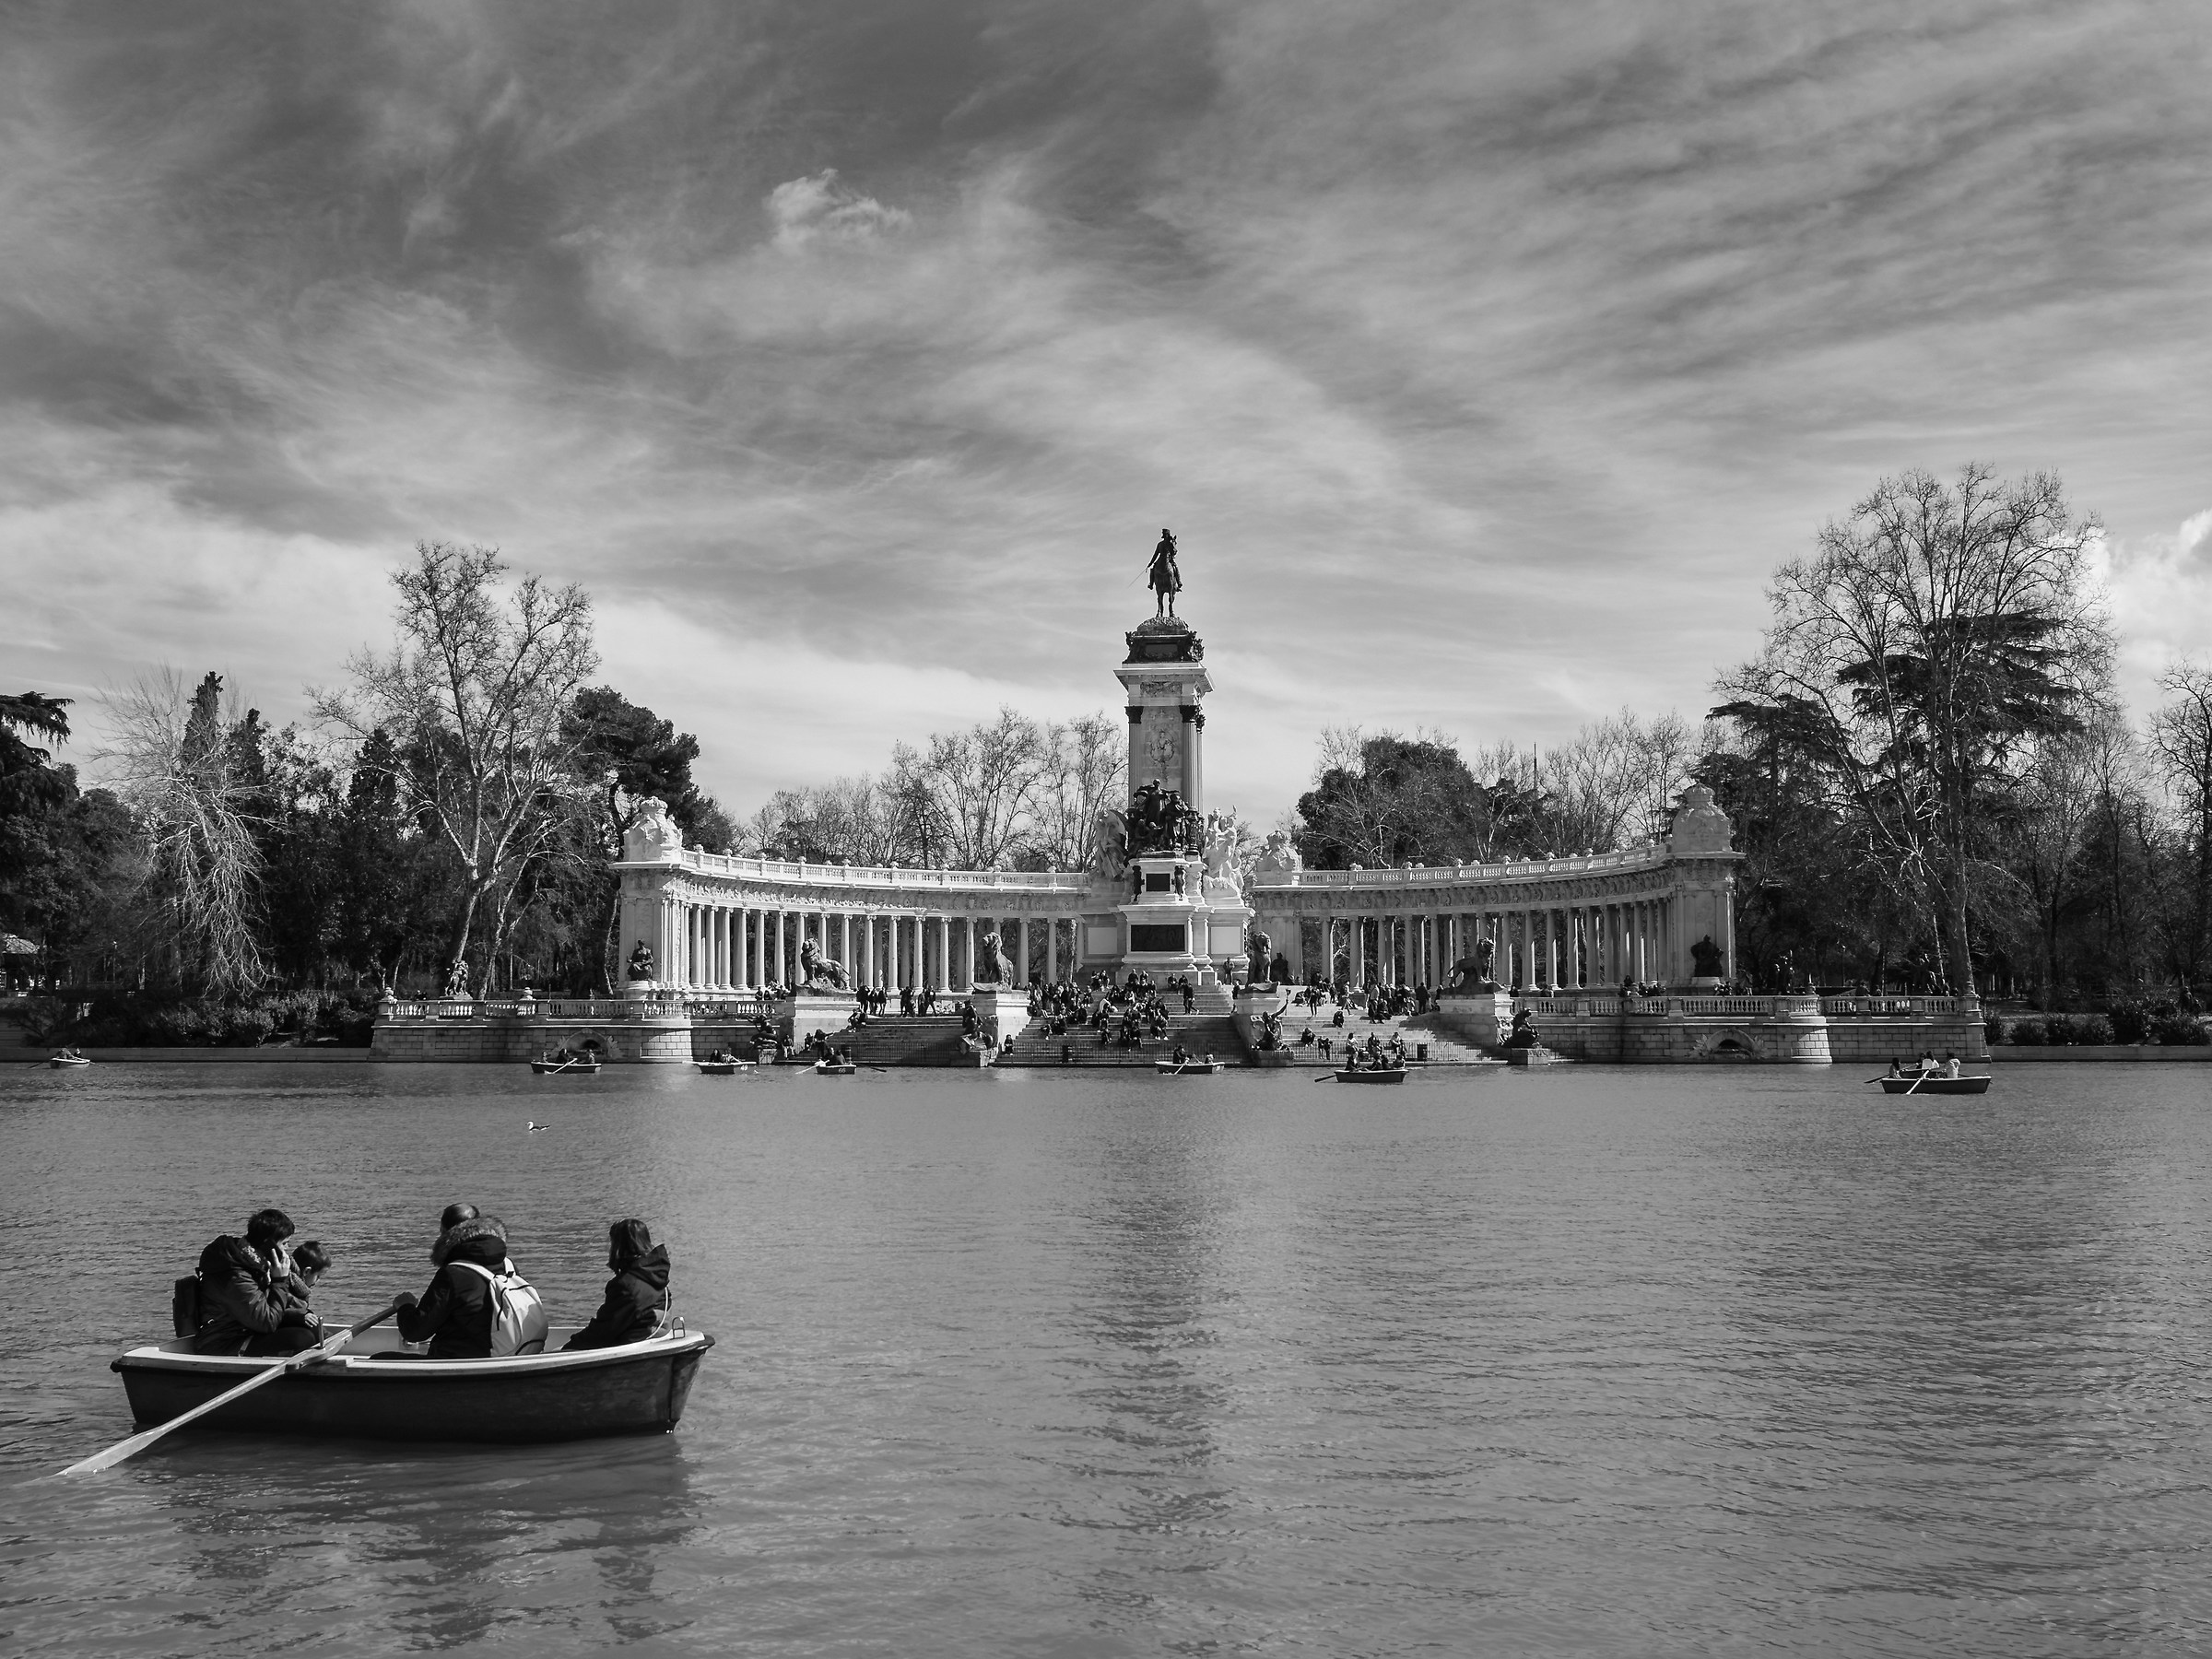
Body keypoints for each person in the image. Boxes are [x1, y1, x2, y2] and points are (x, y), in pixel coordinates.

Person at [192, 1207, 324, 1356]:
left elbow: (269, 1305)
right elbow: (267, 1322)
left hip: (249, 1329)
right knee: (301, 1339)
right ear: (269, 1245)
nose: (287, 1249)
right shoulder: (236, 1276)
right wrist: (279, 1280)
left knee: (316, 1330)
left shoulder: (255, 1264)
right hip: (224, 1342)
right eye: (285, 1243)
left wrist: (298, 1315)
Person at [394, 1214, 524, 1359]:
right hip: (508, 1353)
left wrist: (405, 1306)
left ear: (447, 1237)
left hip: (459, 1360)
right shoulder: (509, 1266)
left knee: (379, 1358)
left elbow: (416, 1332)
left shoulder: (453, 1273)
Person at [562, 1219, 674, 1351]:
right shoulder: (656, 1277)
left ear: (618, 1247)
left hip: (626, 1350)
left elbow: (604, 1330)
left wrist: (567, 1349)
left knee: (558, 1352)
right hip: (648, 1344)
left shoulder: (626, 1286)